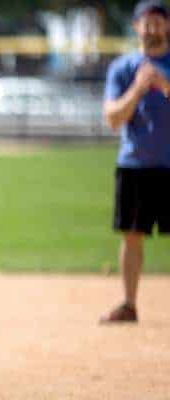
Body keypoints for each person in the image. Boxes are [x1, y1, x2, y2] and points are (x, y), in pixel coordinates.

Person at [100, 0, 170, 323]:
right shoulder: (123, 68)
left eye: (159, 20)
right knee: (131, 234)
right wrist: (139, 88)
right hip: (134, 164)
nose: (153, 27)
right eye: (147, 21)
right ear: (135, 27)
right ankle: (129, 304)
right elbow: (113, 118)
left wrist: (165, 85)